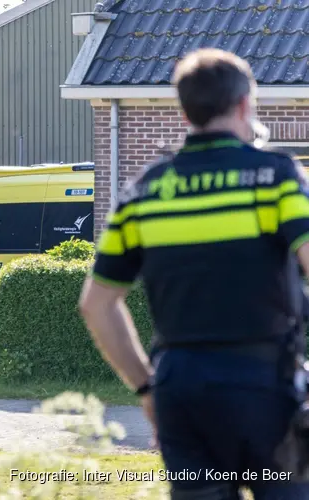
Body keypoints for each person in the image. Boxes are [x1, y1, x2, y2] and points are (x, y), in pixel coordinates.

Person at [78, 47, 309, 499]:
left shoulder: (143, 192)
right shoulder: (275, 176)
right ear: (245, 103)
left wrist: (147, 387)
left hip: (180, 391)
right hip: (265, 388)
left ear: (185, 112)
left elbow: (96, 304)